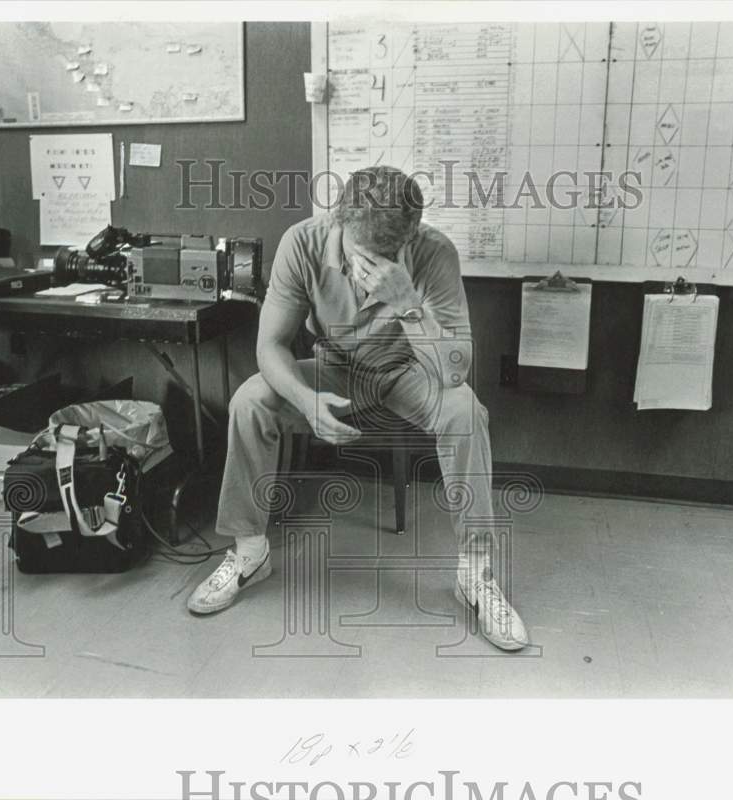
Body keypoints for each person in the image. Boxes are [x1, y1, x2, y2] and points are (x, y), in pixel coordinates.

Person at [187, 166, 528, 650]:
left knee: (465, 412)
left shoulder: (434, 253)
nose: (367, 273)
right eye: (357, 256)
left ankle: (475, 574)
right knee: (251, 400)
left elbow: (454, 371)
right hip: (336, 368)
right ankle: (249, 552)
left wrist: (408, 303)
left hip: (410, 371)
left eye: (384, 260)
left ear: (411, 238)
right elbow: (270, 347)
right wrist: (306, 402)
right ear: (337, 222)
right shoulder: (302, 243)